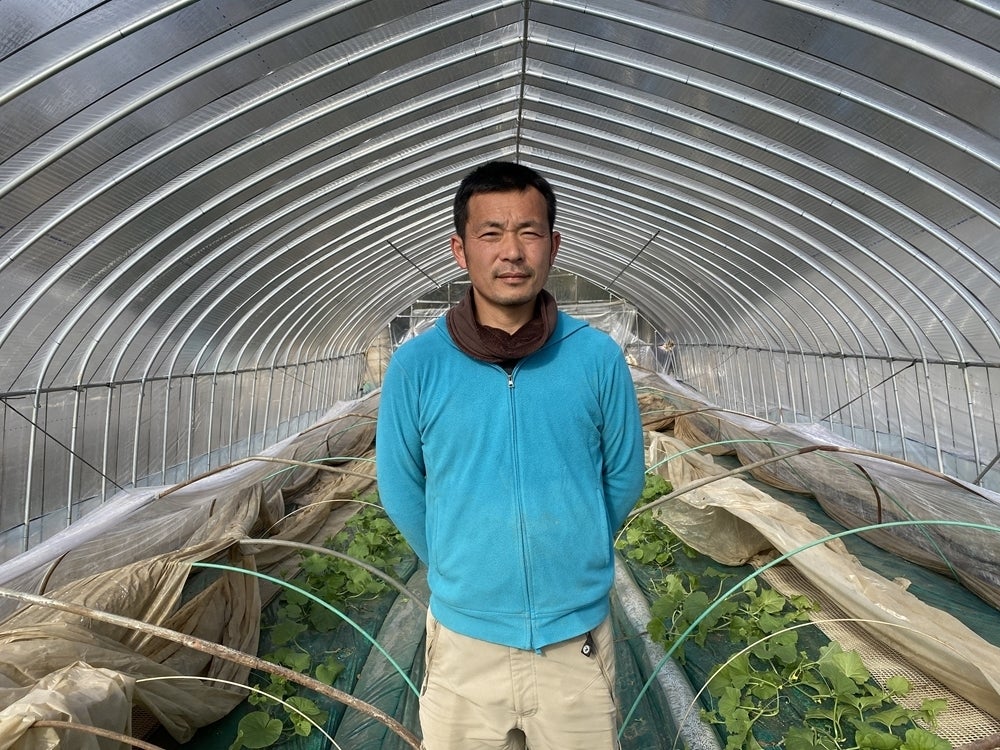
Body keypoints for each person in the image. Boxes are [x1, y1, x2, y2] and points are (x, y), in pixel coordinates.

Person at [375, 160, 646, 750]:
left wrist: (574, 549)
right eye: (491, 233)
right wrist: (462, 566)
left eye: (529, 232)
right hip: (465, 646)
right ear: (460, 249)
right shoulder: (417, 365)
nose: (512, 252)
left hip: (574, 643)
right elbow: (399, 487)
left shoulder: (596, 357)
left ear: (554, 244)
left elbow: (625, 475)